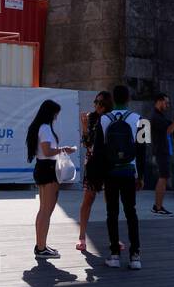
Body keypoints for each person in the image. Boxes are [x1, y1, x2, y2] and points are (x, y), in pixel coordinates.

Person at [100, 84, 146, 270]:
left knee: (112, 213)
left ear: (113, 99)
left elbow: (99, 150)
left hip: (110, 172)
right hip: (129, 171)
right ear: (128, 99)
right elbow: (143, 149)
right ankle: (135, 255)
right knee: (131, 212)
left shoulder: (103, 119)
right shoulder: (140, 119)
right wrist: (141, 176)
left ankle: (114, 255)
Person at [26, 99, 74, 259]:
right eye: (56, 114)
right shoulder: (45, 128)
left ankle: (41, 245)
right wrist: (64, 149)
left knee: (44, 209)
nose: (56, 117)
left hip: (42, 168)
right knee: (46, 210)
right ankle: (41, 247)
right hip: (48, 169)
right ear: (51, 113)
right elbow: (47, 151)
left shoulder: (38, 127)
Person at [75, 91, 112, 251]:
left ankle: (114, 238)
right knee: (87, 200)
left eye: (101, 103)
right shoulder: (91, 118)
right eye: (96, 102)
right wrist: (84, 127)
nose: (97, 105)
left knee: (111, 203)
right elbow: (87, 144)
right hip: (93, 165)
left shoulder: (111, 119)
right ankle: (82, 237)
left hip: (108, 165)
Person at [149, 93, 174, 215]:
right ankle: (157, 206)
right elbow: (169, 130)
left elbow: (173, 127)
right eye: (166, 102)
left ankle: (158, 205)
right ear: (159, 101)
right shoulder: (156, 117)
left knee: (164, 178)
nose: (167, 105)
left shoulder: (161, 116)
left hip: (164, 151)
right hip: (160, 152)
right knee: (162, 178)